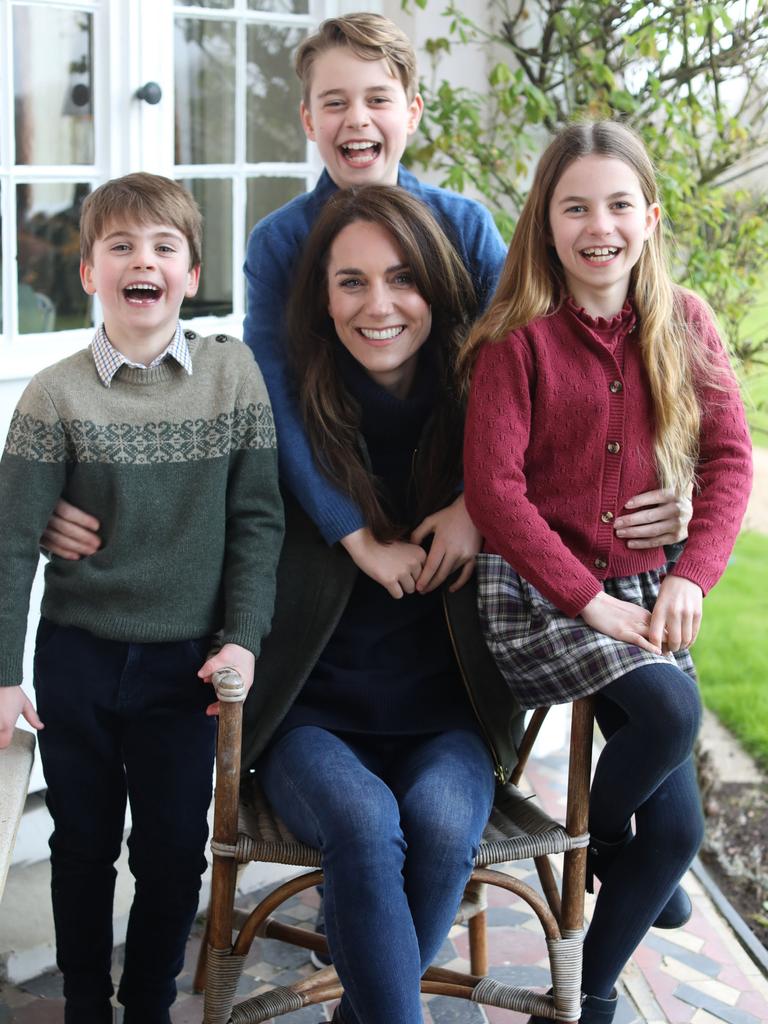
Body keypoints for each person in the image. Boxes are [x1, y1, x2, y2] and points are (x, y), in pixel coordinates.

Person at [39, 13, 691, 583]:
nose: (356, 119)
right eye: (334, 102)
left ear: (411, 111)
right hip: (330, 500)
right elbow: (273, 402)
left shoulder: (465, 227)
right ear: (307, 119)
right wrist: (351, 532)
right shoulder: (279, 243)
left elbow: (536, 375)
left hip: (455, 492)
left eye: (378, 99)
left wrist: (476, 507)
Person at [461, 121, 753, 1024]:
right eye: (576, 206)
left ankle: (587, 998)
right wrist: (585, 599)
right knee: (671, 708)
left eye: (619, 204)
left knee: (682, 833)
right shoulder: (518, 341)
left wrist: (689, 577)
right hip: (537, 595)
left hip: (639, 590)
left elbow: (731, 460)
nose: (601, 225)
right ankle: (611, 843)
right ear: (546, 225)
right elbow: (495, 492)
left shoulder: (686, 322)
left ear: (651, 217)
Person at [0, 173, 284, 1024]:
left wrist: (243, 638)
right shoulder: (54, 394)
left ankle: (149, 1007)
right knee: (81, 847)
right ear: (88, 273)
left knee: (170, 857)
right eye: (120, 246)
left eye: (164, 247)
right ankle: (88, 1005)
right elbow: (13, 540)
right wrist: (4, 675)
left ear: (191, 275)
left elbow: (258, 523)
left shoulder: (233, 380)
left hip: (187, 666)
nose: (142, 260)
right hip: (80, 655)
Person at [241, 183, 506, 1024]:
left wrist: (678, 503)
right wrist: (76, 513)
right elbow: (180, 492)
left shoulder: (489, 420)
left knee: (435, 825)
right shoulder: (285, 423)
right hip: (313, 718)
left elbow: (602, 466)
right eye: (350, 282)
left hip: (447, 718)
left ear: (438, 285)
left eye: (402, 279)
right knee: (362, 823)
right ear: (322, 300)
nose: (378, 305)